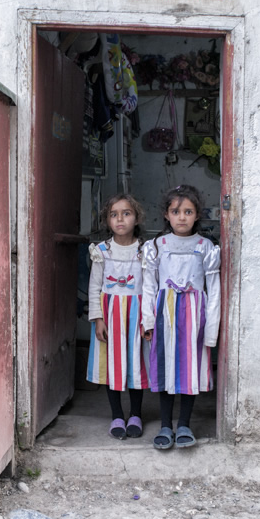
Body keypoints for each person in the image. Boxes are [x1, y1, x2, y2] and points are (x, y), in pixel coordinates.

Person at [141, 184, 220, 450]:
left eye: (188, 211)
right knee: (165, 368)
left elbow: (214, 288)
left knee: (190, 370)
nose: (182, 217)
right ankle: (165, 425)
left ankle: (184, 424)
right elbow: (149, 285)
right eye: (176, 211)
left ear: (197, 215)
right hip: (165, 314)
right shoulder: (157, 246)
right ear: (166, 214)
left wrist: (211, 330)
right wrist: (148, 321)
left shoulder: (206, 247)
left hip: (194, 317)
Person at [87, 193, 149, 440]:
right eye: (114, 214)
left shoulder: (146, 250)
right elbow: (94, 287)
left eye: (126, 213)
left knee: (136, 362)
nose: (120, 219)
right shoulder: (102, 251)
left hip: (136, 317)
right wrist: (98, 318)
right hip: (110, 316)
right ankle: (116, 415)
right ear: (107, 220)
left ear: (136, 218)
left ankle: (135, 414)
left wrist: (148, 318)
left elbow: (149, 286)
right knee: (112, 364)